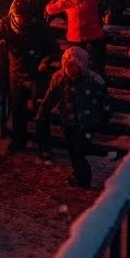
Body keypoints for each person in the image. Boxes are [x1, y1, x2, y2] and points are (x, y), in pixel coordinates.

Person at [0, 1, 60, 153]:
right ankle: (19, 140)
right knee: (17, 108)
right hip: (16, 72)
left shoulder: (39, 26)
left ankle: (43, 142)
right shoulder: (5, 25)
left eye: (25, 16)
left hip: (37, 73)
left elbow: (54, 48)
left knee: (40, 109)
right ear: (13, 15)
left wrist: (46, 60)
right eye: (19, 16)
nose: (21, 20)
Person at [33, 45, 108, 188]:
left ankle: (83, 179)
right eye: (68, 66)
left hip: (85, 122)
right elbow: (49, 99)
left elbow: (104, 102)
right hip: (68, 121)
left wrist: (100, 118)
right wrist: (41, 115)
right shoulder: (59, 78)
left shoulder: (94, 81)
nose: (71, 71)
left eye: (74, 67)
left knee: (78, 151)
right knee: (73, 150)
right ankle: (80, 171)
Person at [45, 0, 106, 72]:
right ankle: (95, 81)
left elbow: (50, 10)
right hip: (94, 34)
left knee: (74, 65)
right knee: (96, 65)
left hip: (75, 37)